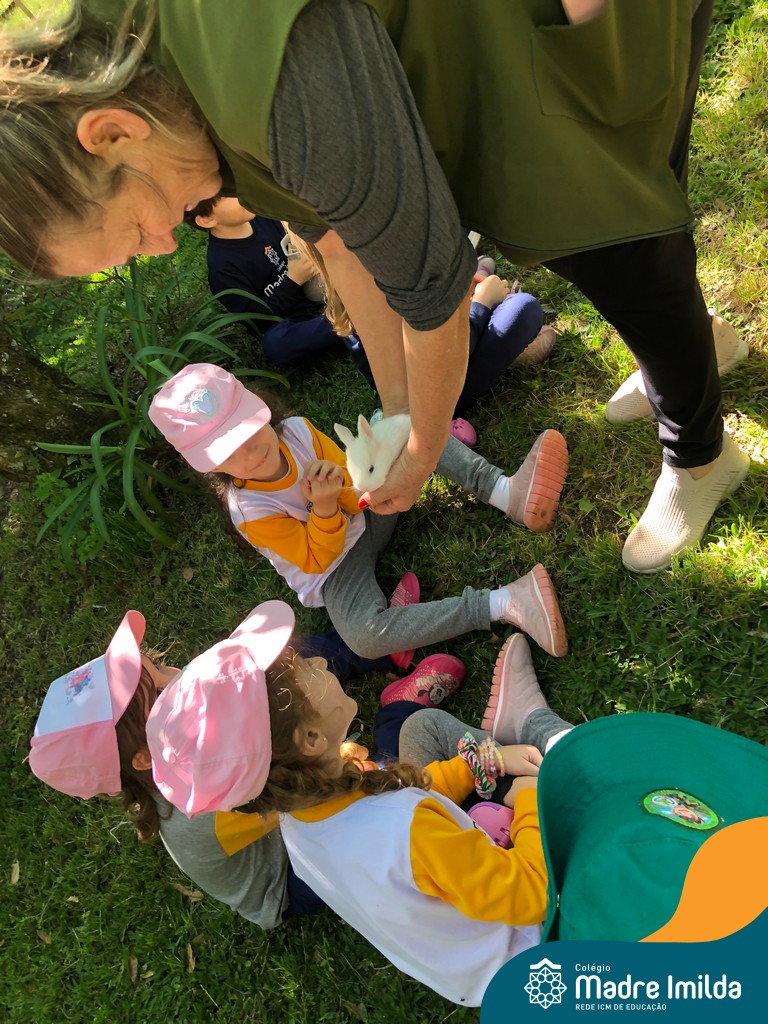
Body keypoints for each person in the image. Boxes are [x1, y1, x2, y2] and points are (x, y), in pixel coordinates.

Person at [0, 0, 747, 570]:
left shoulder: (274, 81)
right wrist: (396, 414)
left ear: (111, 134)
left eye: (136, 229)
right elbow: (339, 243)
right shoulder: (155, 78)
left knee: (617, 235)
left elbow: (432, 284)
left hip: (550, 29)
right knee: (634, 191)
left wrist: (423, 448)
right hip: (488, 55)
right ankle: (693, 350)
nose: (166, 242)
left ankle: (702, 454)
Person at [144, 599, 549, 1007]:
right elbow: (533, 895)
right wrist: (533, 802)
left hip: (472, 973)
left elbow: (402, 803)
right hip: (533, 951)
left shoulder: (300, 824)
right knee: (580, 789)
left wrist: (473, 766)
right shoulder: (409, 830)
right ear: (311, 739)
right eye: (307, 670)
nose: (321, 663)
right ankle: (539, 729)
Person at [27, 604, 467, 930]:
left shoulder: (191, 729)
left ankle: (379, 640)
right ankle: (398, 716)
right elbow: (314, 793)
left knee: (282, 669)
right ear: (145, 758)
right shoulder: (212, 802)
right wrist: (346, 756)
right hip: (292, 876)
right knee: (373, 811)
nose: (174, 674)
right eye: (159, 691)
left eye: (157, 666)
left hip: (283, 800)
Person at [148, 362, 570, 661]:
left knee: (396, 425)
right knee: (364, 638)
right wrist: (324, 507)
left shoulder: (296, 431)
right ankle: (505, 602)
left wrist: (346, 487)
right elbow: (317, 558)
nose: (247, 452)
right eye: (227, 452)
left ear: (258, 408)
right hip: (335, 572)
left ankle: (506, 492)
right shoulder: (248, 510)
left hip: (370, 510)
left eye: (245, 430)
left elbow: (357, 486)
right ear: (211, 466)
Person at [191, 196, 556, 446]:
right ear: (206, 218)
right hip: (417, 376)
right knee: (521, 309)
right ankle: (488, 314)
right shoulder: (224, 267)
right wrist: (480, 304)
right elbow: (438, 353)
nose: (240, 194)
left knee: (506, 309)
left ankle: (481, 305)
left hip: (356, 320)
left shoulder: (268, 217)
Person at [186, 196, 372, 375]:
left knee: (337, 254)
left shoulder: (261, 214)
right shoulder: (222, 269)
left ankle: (350, 309)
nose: (236, 192)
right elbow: (258, 321)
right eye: (226, 195)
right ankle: (347, 319)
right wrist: (293, 279)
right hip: (297, 318)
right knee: (276, 345)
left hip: (318, 286)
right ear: (207, 219)